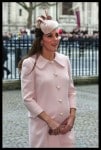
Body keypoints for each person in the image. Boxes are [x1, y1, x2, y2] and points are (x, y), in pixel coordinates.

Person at [18, 11, 76, 148]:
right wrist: (50, 121)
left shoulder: (65, 60)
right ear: (41, 40)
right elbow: (28, 99)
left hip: (65, 128)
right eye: (50, 36)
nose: (55, 39)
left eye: (57, 35)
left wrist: (72, 117)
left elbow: (71, 91)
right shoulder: (30, 63)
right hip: (43, 128)